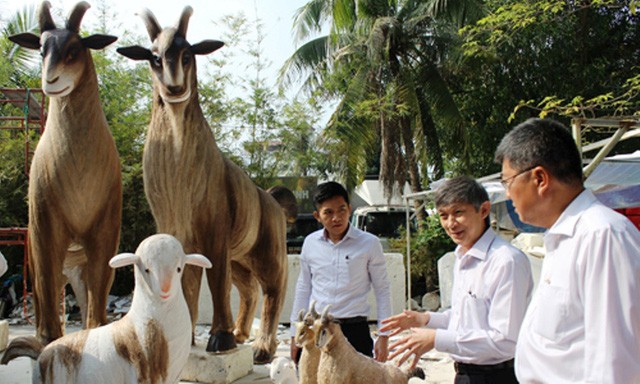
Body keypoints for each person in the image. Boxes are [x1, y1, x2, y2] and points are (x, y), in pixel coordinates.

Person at [494, 118, 640, 383]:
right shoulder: (563, 238)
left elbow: (614, 364)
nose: (507, 195)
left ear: (539, 178)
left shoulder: (601, 236)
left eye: (508, 182)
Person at [381, 176, 533, 384]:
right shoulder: (462, 256)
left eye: (458, 213)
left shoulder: (506, 261)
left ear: (484, 210)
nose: (451, 224)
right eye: (444, 215)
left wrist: (436, 339)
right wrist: (425, 319)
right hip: (466, 374)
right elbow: (467, 318)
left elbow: (505, 340)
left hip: (497, 376)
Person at [289, 181, 392, 363]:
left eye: (341, 210)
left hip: (355, 331)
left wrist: (384, 335)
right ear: (317, 216)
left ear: (350, 209)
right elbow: (303, 288)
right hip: (319, 329)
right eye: (328, 212)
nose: (336, 217)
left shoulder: (369, 244)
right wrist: (294, 334)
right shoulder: (310, 243)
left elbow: (382, 290)